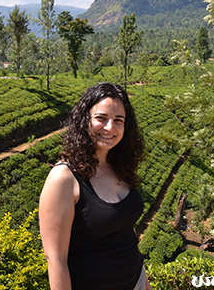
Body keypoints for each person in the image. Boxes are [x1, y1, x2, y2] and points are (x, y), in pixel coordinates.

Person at [39, 82, 151, 290]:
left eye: (119, 120)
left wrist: (144, 283)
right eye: (101, 118)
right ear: (84, 121)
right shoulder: (64, 178)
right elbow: (56, 259)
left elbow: (127, 231)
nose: (110, 128)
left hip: (136, 281)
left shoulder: (120, 166)